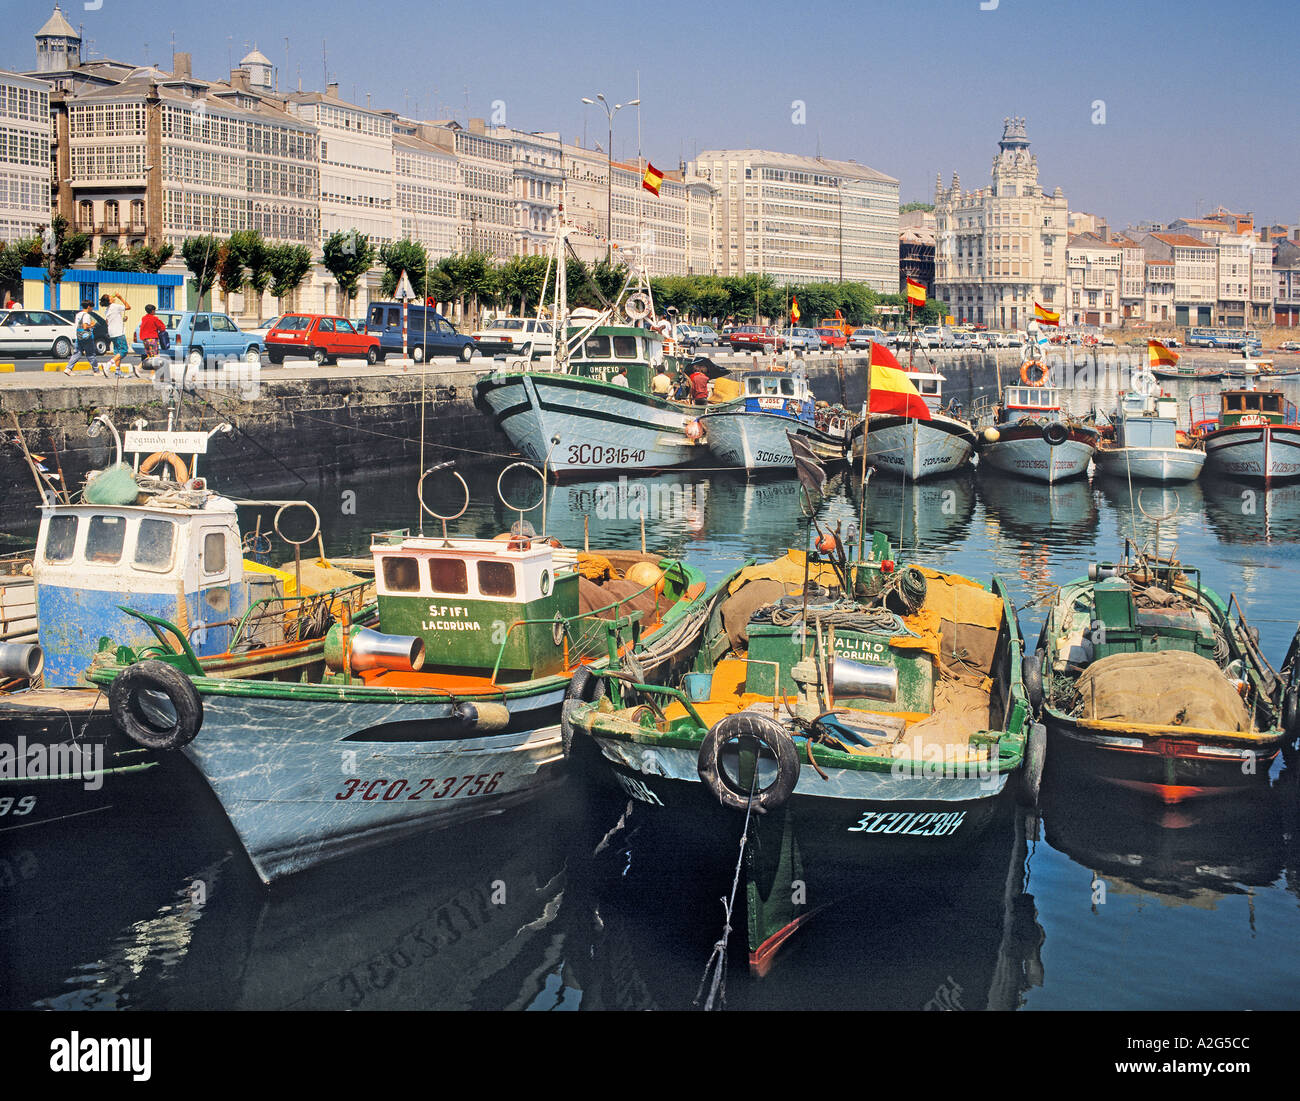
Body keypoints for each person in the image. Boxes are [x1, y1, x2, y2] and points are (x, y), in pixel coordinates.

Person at [65, 300, 105, 376]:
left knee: (78, 353)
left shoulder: (78, 314)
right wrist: (92, 325)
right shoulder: (86, 315)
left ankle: (68, 368)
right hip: (86, 337)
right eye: (92, 307)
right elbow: (85, 326)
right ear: (89, 307)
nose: (92, 309)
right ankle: (96, 371)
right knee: (91, 354)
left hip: (79, 336)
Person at [101, 292, 131, 376]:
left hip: (112, 332)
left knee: (117, 352)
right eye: (111, 297)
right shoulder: (115, 306)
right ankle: (109, 364)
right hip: (119, 332)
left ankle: (117, 371)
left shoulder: (107, 310)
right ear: (109, 300)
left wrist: (122, 320)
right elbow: (128, 307)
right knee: (124, 351)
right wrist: (120, 297)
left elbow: (108, 322)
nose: (113, 297)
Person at [137, 303, 166, 376]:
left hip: (145, 339)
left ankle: (139, 367)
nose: (155, 311)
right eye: (154, 310)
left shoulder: (144, 318)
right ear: (152, 311)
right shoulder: (154, 318)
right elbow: (162, 327)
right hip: (152, 339)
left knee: (149, 356)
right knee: (154, 357)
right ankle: (152, 375)